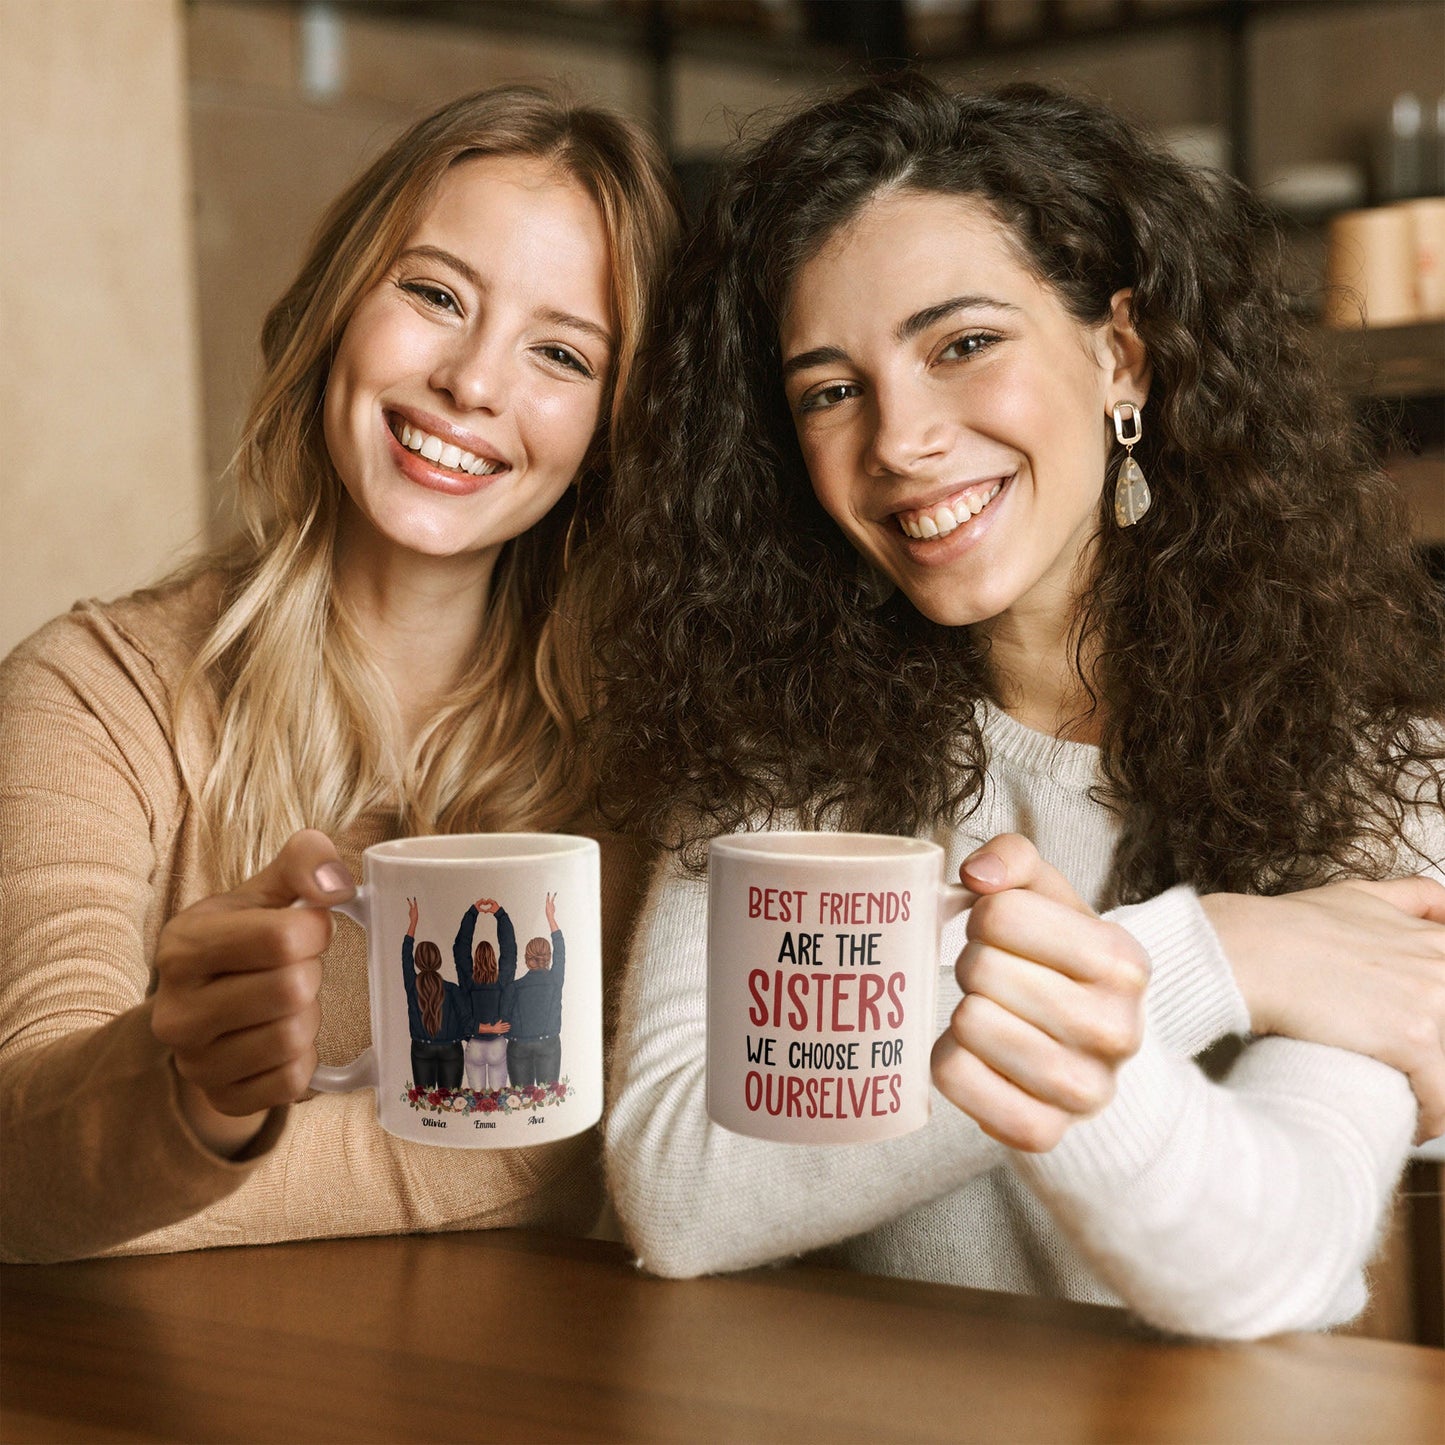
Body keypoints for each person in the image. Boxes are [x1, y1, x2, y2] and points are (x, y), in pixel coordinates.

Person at [592, 75, 1445, 1339]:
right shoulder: (780, 750)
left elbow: (1269, 1258)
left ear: (1120, 355)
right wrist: (1211, 955)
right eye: (829, 389)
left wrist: (1106, 977)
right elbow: (675, 1188)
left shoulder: (1376, 765)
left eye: (961, 344)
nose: (899, 438)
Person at [0, 85, 679, 1263]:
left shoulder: (645, 750)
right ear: (335, 310)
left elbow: (601, 1133)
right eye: (433, 294)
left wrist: (165, 1177)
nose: (473, 381)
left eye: (561, 353)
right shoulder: (92, 693)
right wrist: (194, 1095)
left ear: (611, 430)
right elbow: (22, 1162)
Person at [404, 899, 471, 1090]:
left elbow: (405, 958)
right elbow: (465, 1019)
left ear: (418, 961)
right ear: (439, 961)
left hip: (421, 1048)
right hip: (451, 1049)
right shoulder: (452, 989)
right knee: (449, 1101)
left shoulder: (412, 985)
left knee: (425, 1102)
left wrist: (412, 923)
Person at [505, 893, 567, 1088]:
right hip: (548, 1043)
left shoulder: (514, 987)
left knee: (521, 1101)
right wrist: (551, 918)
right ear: (548, 958)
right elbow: (561, 952)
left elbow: (504, 1017)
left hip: (518, 1045)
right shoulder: (555, 980)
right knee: (547, 1098)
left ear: (526, 958)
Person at [454, 898, 515, 1091]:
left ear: (475, 958)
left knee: (477, 1096)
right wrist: (500, 916)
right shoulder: (502, 980)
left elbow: (461, 948)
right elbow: (509, 950)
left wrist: (473, 913)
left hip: (475, 1044)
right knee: (498, 1097)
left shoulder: (468, 979)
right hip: (497, 1043)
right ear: (493, 959)